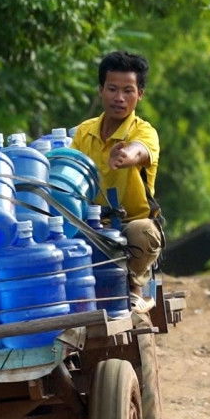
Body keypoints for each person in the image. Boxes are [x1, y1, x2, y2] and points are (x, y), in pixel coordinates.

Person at [71, 51, 163, 314]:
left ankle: (135, 290)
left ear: (140, 94)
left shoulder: (144, 131)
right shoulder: (83, 131)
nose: (119, 98)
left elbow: (140, 150)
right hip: (88, 223)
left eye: (128, 90)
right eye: (112, 89)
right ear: (101, 90)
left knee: (144, 231)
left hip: (129, 224)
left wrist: (126, 155)